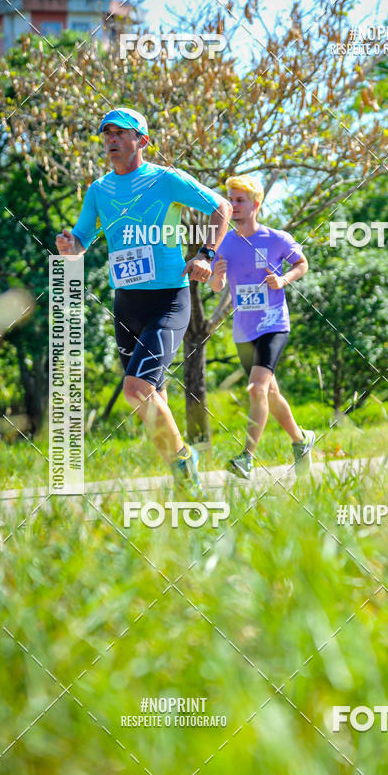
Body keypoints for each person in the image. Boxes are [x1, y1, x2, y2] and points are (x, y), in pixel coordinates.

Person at [55, 107, 232, 492]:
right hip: (126, 305)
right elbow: (81, 241)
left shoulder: (165, 180)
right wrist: (70, 246)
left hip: (169, 300)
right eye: (107, 134)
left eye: (121, 133)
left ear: (142, 141)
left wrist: (205, 254)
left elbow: (223, 207)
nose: (112, 140)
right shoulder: (99, 190)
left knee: (135, 389)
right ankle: (186, 481)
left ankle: (185, 464)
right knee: (153, 398)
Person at [208, 174, 315, 479]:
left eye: (239, 200)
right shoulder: (225, 242)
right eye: (230, 200)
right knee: (268, 393)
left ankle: (247, 457)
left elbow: (302, 263)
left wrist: (282, 280)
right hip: (244, 329)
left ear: (256, 204)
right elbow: (217, 287)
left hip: (273, 323)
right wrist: (217, 275)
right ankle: (301, 440)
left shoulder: (275, 238)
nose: (233, 205)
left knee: (256, 388)